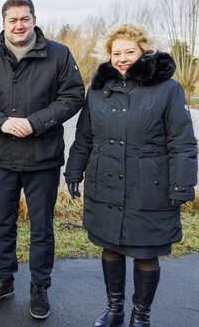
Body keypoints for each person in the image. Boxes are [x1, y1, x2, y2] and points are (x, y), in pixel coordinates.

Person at [65, 23, 197, 327]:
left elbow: (182, 141)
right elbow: (84, 136)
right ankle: (115, 310)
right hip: (106, 180)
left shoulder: (168, 89)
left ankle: (141, 317)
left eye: (129, 52)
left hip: (148, 185)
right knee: (110, 246)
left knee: (145, 251)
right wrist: (74, 169)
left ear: (143, 52)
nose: (122, 58)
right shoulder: (98, 90)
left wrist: (181, 184)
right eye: (116, 53)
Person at [0, 0, 85, 319]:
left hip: (43, 158)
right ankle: (4, 280)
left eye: (24, 19)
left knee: (42, 228)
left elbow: (74, 95)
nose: (18, 25)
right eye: (12, 20)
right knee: (3, 224)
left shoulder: (59, 54)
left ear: (34, 19)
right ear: (3, 23)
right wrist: (1, 122)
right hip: (2, 158)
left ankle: (39, 287)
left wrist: (36, 123)